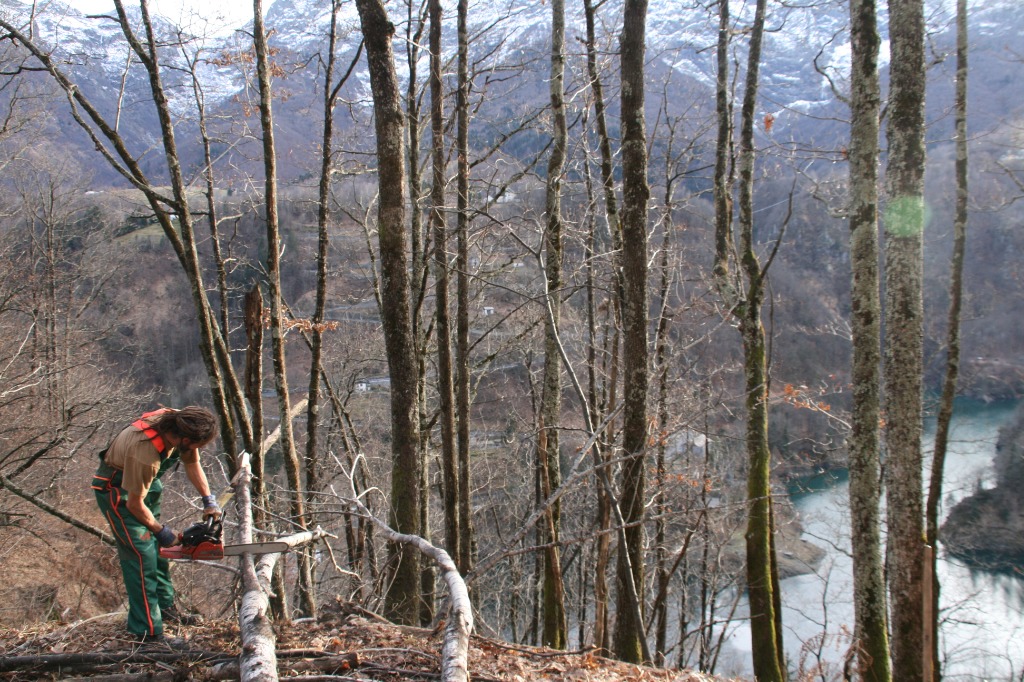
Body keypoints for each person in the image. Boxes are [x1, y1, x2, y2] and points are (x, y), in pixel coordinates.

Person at [91, 406, 221, 644]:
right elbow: (134, 504)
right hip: (119, 493)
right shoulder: (145, 453)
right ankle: (147, 633)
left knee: (158, 552)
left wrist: (208, 501)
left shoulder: (181, 423)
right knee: (142, 557)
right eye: (197, 445)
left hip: (145, 486)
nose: (198, 449)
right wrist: (161, 531)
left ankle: (166, 609)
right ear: (185, 440)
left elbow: (192, 463)